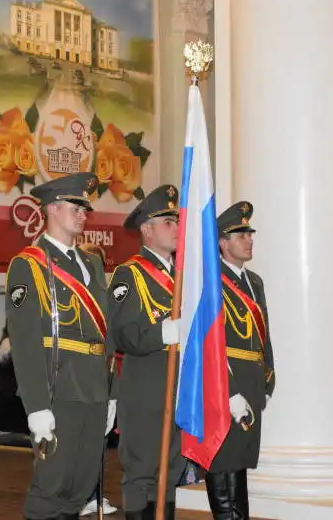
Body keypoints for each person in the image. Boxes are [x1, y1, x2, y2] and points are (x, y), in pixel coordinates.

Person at [5, 172, 116, 520]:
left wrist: (111, 392)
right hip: (60, 388)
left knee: (81, 486)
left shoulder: (91, 262)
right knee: (51, 486)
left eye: (85, 209)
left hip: (94, 388)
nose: (83, 215)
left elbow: (106, 331)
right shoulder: (29, 264)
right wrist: (37, 406)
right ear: (52, 208)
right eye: (75, 207)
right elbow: (24, 341)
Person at [106, 185, 185, 520]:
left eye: (177, 221)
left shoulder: (182, 276)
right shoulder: (130, 274)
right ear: (147, 229)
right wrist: (163, 332)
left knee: (171, 474)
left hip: (179, 390)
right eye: (168, 222)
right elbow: (122, 333)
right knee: (141, 474)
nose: (177, 228)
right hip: (146, 391)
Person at [204, 201, 277, 519]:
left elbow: (264, 334)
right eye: (240, 235)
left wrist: (268, 378)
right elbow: (209, 342)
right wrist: (229, 390)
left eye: (250, 234)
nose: (249, 240)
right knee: (222, 458)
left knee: (241, 460)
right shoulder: (211, 280)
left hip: (251, 379)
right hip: (225, 379)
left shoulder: (254, 281)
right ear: (222, 242)